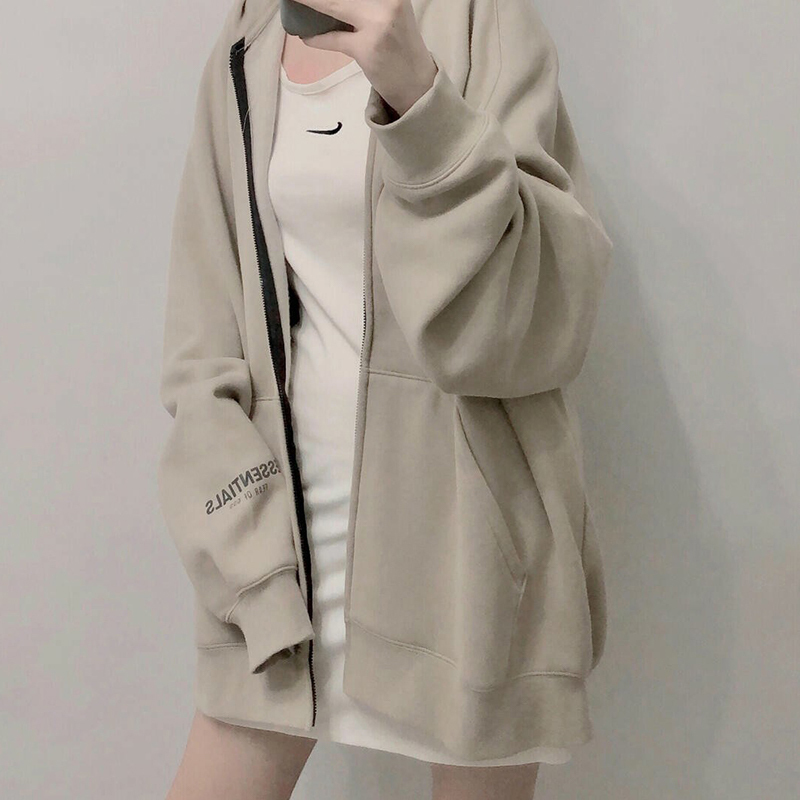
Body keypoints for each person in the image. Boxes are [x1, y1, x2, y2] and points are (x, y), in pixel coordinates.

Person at [158, 0, 613, 798]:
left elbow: (531, 319)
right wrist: (245, 553)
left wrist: (420, 99)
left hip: (464, 560)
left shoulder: (483, 25)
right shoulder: (248, 42)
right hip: (288, 553)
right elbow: (204, 340)